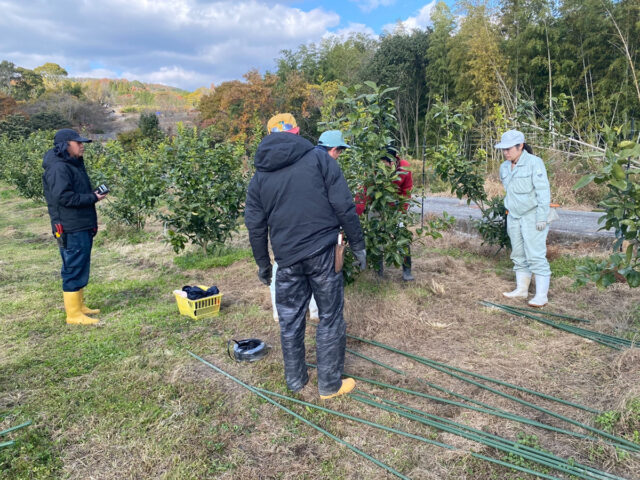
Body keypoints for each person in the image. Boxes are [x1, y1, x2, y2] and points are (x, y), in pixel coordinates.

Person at [245, 113, 366, 400]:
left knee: (290, 320)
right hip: (323, 253)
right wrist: (358, 243)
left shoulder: (259, 177)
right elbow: (343, 205)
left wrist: (264, 263)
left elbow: (255, 226)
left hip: (286, 260)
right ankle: (329, 386)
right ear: (297, 132)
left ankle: (296, 381)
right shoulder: (319, 159)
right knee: (330, 317)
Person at [269, 130, 351, 323]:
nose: (338, 156)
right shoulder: (323, 165)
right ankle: (314, 312)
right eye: (339, 152)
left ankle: (282, 313)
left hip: (286, 236)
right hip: (315, 237)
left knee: (283, 273)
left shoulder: (296, 163)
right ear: (333, 150)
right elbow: (339, 203)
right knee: (320, 277)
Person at [42, 128, 108, 325]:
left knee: (79, 264)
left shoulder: (72, 164)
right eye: (77, 142)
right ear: (65, 145)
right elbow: (64, 197)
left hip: (80, 223)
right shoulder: (59, 168)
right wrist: (93, 197)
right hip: (71, 225)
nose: (81, 146)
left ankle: (79, 306)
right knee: (73, 266)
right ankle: (73, 314)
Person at [495, 129, 551, 307]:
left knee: (535, 255)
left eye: (509, 149)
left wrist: (542, 217)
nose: (505, 152)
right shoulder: (504, 167)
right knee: (518, 254)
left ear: (520, 146)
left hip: (533, 216)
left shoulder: (535, 163)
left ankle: (542, 295)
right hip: (514, 216)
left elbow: (543, 191)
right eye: (503, 149)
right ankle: (521, 289)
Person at [355, 146, 414, 281]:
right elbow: (365, 189)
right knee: (376, 236)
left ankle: (407, 270)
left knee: (401, 236)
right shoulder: (373, 168)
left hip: (396, 208)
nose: (381, 167)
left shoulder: (404, 169)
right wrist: (358, 209)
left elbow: (407, 190)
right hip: (376, 204)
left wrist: (401, 211)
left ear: (392, 162)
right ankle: (378, 271)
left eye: (384, 164)